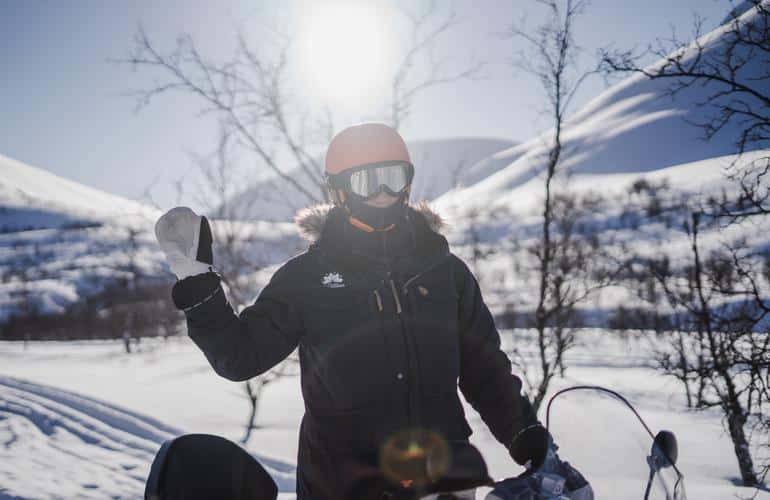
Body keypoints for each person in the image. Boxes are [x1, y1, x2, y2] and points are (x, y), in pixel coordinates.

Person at [155, 123, 577, 499]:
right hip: (345, 484)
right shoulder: (308, 277)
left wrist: (528, 439)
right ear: (338, 190)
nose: (382, 194)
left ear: (408, 184)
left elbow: (485, 371)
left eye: (393, 179)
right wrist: (198, 285)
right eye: (366, 181)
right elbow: (239, 356)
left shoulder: (446, 272)